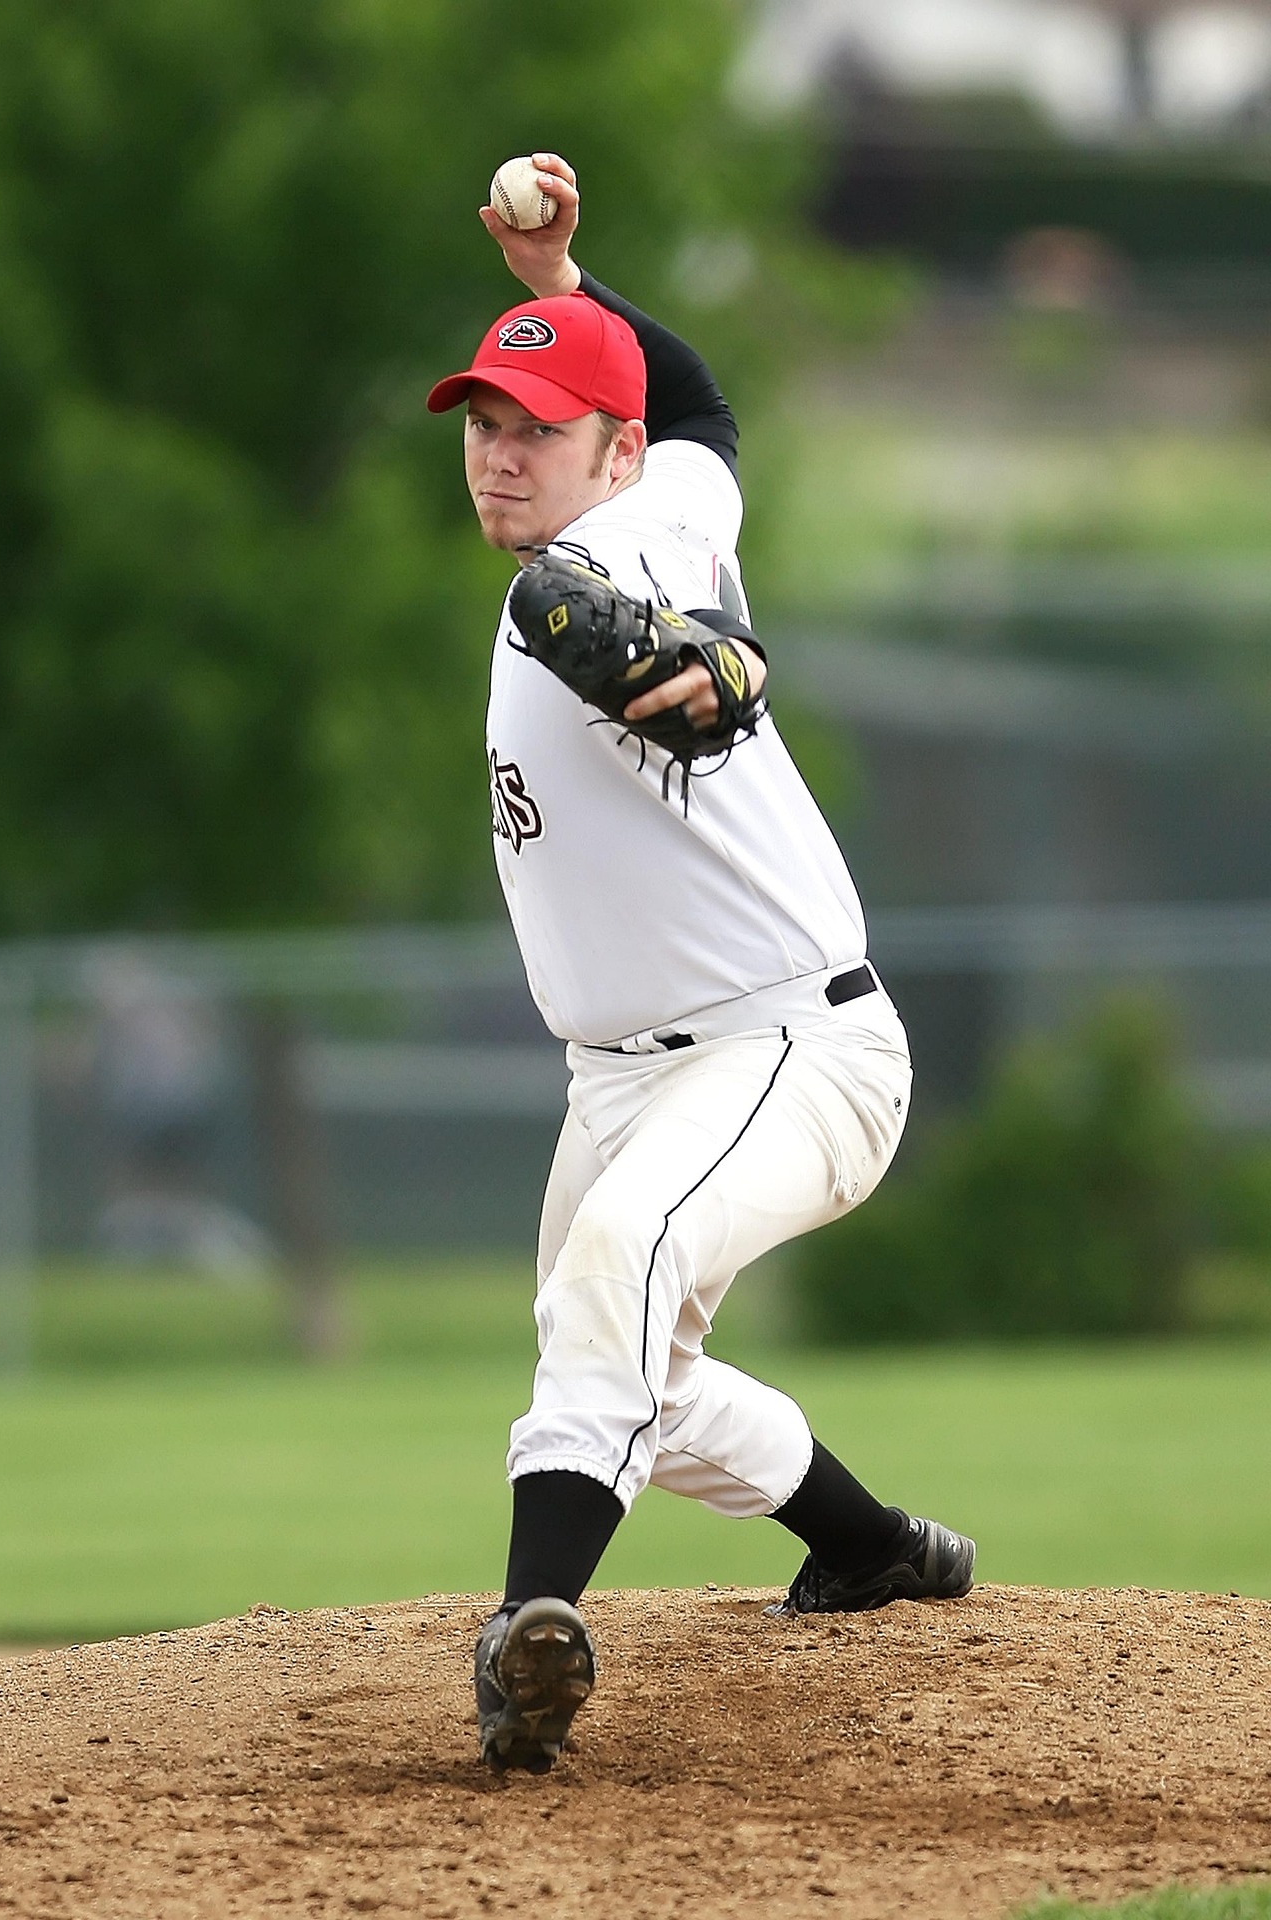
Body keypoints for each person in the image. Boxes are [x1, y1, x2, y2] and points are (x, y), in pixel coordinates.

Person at [426, 155, 974, 1776]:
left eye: (536, 429)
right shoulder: (676, 487)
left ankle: (530, 1644)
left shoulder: (597, 565)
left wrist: (718, 674)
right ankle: (871, 1543)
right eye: (483, 424)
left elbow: (644, 637)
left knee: (626, 1259)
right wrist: (565, 287)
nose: (500, 454)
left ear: (613, 453)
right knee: (627, 1373)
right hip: (624, 1072)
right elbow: (710, 413)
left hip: (785, 1050)